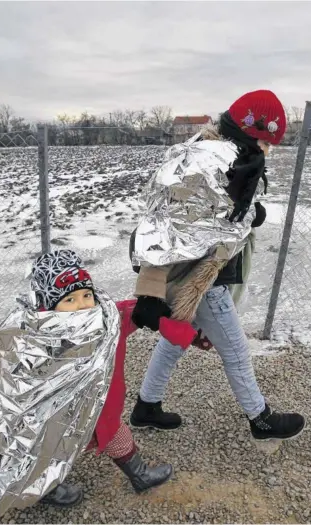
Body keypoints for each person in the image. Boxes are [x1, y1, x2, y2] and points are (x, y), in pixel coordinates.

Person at [0, 250, 196, 516]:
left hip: (103, 408)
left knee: (115, 433)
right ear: (49, 307)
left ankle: (140, 475)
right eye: (70, 300)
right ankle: (44, 487)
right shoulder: (38, 339)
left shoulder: (107, 320)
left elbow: (135, 314)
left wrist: (174, 325)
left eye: (86, 295)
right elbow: (23, 380)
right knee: (47, 451)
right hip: (56, 418)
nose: (82, 304)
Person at [128, 90, 306, 442]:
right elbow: (165, 221)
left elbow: (215, 212)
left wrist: (250, 213)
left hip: (207, 269)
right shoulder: (212, 162)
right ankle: (261, 419)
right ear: (250, 132)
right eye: (265, 142)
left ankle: (146, 406)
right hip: (202, 278)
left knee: (174, 343)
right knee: (236, 351)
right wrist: (149, 290)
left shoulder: (231, 156)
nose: (267, 151)